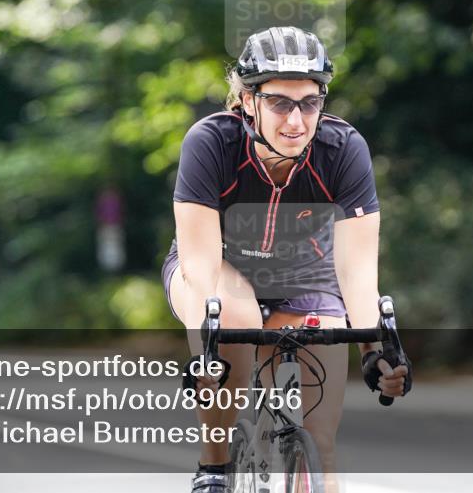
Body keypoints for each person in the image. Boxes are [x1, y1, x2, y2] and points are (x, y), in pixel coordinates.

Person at [161, 27, 411, 492]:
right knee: (232, 313)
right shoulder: (211, 142)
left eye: (309, 102)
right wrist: (208, 348)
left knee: (321, 442)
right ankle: (213, 467)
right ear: (247, 100)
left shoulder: (343, 149)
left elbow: (356, 273)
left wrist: (376, 353)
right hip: (219, 267)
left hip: (302, 273)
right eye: (280, 102)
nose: (296, 120)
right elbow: (199, 265)